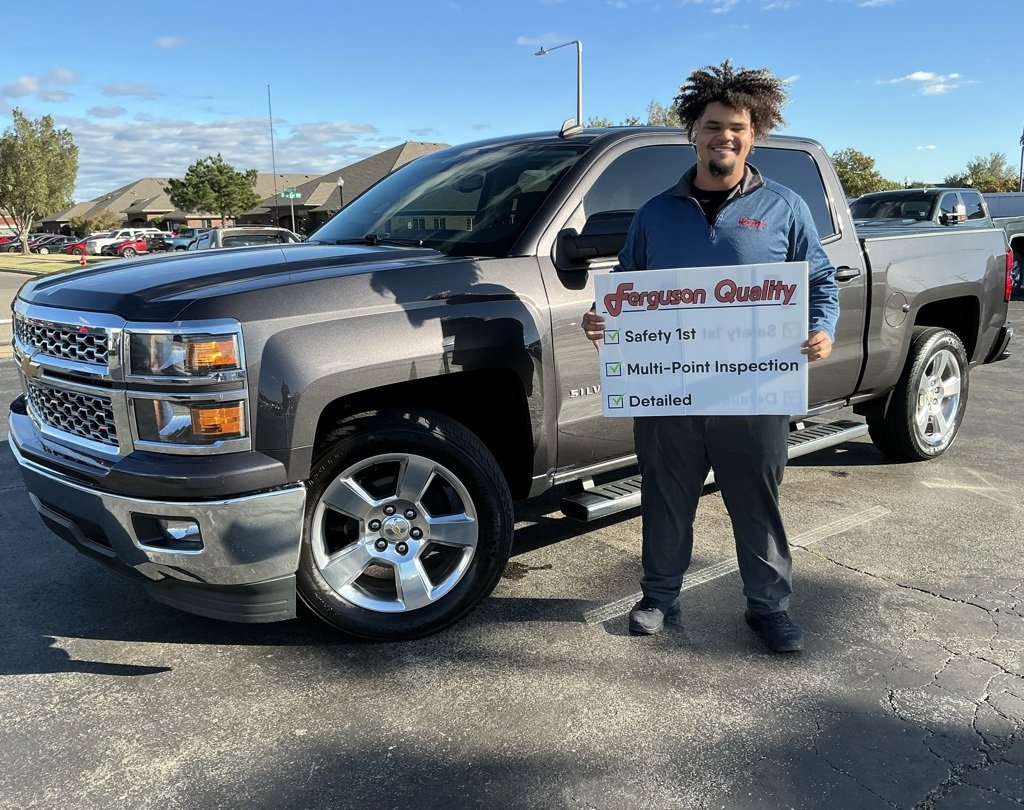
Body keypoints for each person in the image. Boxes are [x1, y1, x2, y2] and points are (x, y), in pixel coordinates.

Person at [580, 60, 839, 653]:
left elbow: (820, 282)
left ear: (755, 135)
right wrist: (605, 319)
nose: (726, 136)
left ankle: (768, 608)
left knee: (756, 500)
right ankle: (659, 597)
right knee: (666, 496)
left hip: (755, 390)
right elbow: (627, 286)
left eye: (738, 128)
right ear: (693, 131)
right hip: (671, 390)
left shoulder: (784, 208)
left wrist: (820, 329)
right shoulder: (654, 213)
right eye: (714, 125)